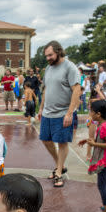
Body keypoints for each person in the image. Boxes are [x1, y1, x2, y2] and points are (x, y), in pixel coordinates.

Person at [38, 40, 81, 188]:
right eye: (46, 56)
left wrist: (70, 113)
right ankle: (60, 165)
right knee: (45, 140)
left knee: (62, 143)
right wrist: (40, 108)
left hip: (63, 112)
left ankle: (58, 173)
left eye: (50, 55)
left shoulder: (70, 67)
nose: (48, 58)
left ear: (58, 51)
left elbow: (76, 90)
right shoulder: (48, 69)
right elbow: (46, 90)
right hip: (47, 113)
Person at [78, 100, 106, 212]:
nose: (90, 113)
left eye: (91, 111)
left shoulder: (104, 126)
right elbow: (101, 140)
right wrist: (87, 140)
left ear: (98, 114)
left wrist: (94, 144)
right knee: (103, 183)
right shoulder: (104, 124)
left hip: (105, 160)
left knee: (101, 184)